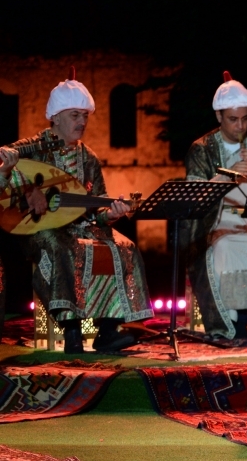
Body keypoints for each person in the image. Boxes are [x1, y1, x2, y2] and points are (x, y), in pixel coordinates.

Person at [0, 68, 152, 354]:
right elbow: (5, 188)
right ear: (55, 117)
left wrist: (112, 214)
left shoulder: (89, 157)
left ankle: (108, 331)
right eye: (75, 115)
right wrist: (25, 186)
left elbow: (96, 208)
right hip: (39, 228)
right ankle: (72, 333)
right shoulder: (32, 148)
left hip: (82, 227)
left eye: (85, 116)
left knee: (124, 247)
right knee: (61, 246)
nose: (82, 122)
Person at [179, 72, 247, 340]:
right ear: (219, 116)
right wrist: (229, 173)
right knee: (226, 248)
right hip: (217, 223)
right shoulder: (202, 149)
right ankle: (235, 319)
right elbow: (194, 198)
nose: (240, 126)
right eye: (233, 119)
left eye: (245, 118)